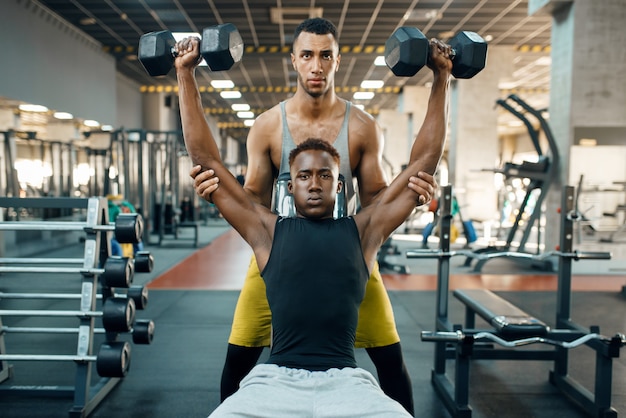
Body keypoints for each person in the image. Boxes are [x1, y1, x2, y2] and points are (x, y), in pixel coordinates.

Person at [190, 17, 451, 415]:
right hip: (277, 255)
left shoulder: (363, 126)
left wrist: (411, 193)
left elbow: (378, 196)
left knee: (390, 361)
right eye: (307, 55)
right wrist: (218, 193)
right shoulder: (267, 127)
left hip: (349, 250)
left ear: (337, 60)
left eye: (325, 55)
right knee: (237, 360)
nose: (316, 65)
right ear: (293, 61)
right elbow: (250, 199)